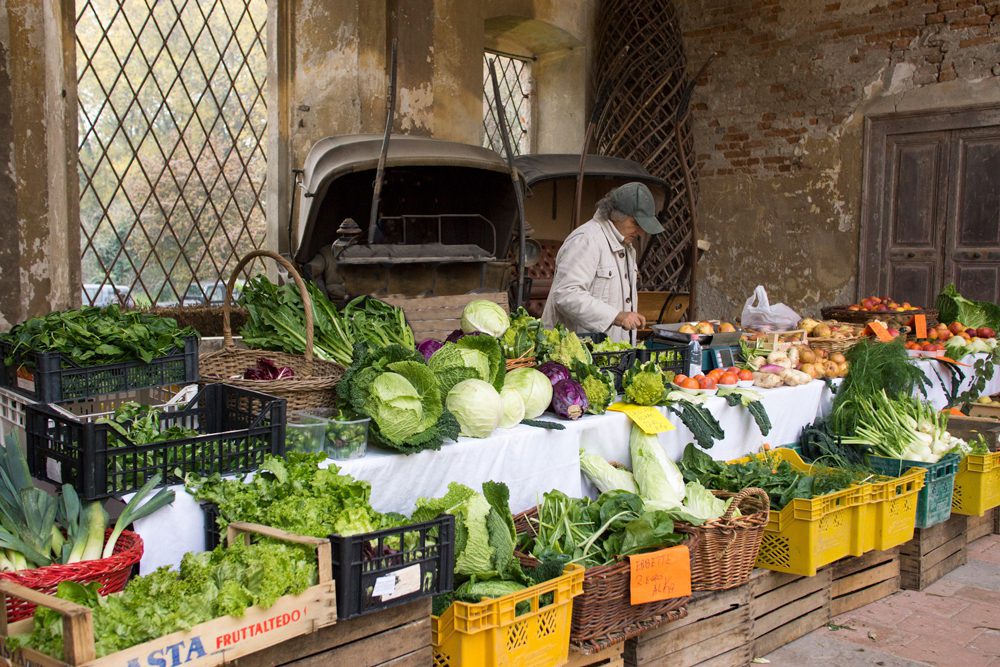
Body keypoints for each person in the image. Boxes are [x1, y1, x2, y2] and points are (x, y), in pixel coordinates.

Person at [541, 182, 664, 344]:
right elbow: (566, 294)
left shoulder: (627, 247)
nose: (641, 232)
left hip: (609, 354)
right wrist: (617, 316)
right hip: (575, 353)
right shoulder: (587, 239)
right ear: (616, 215)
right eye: (636, 223)